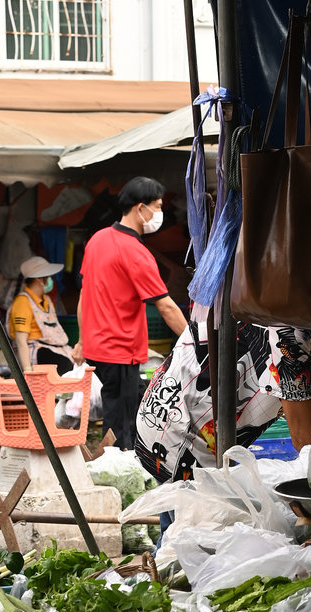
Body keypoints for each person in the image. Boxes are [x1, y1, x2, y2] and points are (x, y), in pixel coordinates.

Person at [136, 231, 311, 481]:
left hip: (228, 431)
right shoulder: (290, 324)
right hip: (181, 425)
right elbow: (304, 439)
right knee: (187, 529)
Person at [74, 177, 187, 448]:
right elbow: (166, 305)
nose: (159, 213)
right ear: (140, 208)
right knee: (120, 426)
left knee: (133, 403)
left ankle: (121, 462)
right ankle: (115, 475)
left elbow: (83, 295)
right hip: (121, 350)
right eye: (157, 207)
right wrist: (194, 342)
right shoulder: (136, 252)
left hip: (97, 349)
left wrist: (81, 340)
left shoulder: (97, 239)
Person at [7, 255, 74, 374]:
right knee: (65, 365)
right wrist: (27, 370)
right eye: (48, 277)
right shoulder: (22, 302)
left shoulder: (46, 300)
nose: (51, 281)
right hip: (34, 351)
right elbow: (21, 341)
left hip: (56, 347)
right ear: (39, 280)